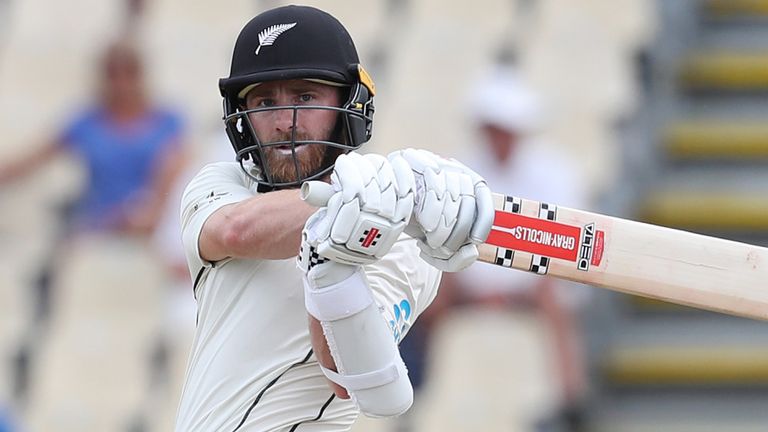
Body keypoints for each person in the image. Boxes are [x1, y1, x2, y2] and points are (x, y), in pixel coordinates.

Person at [175, 5, 494, 431]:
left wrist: (333, 267)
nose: (283, 122)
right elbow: (235, 231)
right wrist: (358, 207)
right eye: (265, 101)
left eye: (305, 97)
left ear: (350, 104)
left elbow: (358, 380)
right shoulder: (222, 183)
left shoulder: (401, 241)